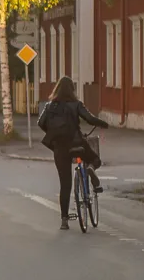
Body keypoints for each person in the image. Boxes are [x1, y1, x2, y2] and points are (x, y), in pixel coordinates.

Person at [38, 76, 108, 230]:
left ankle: (64, 220)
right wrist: (103, 124)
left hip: (59, 148)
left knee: (65, 184)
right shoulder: (76, 104)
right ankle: (90, 169)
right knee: (95, 160)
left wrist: (53, 135)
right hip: (77, 143)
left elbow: (40, 123)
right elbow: (89, 118)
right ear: (73, 90)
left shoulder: (49, 106)